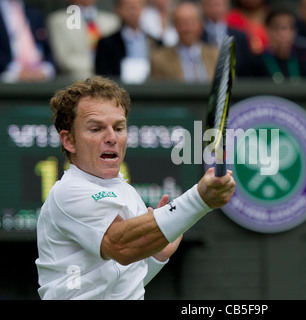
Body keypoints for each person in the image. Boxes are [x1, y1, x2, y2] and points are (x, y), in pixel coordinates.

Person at [35, 76, 235, 299]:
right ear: (69, 140)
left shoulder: (127, 193)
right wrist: (199, 200)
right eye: (96, 129)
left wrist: (157, 253)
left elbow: (123, 282)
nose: (111, 137)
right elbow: (122, 247)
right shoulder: (68, 192)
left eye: (119, 128)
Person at [47, 0, 120, 80]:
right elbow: (64, 61)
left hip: (109, 80)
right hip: (76, 81)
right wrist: (101, 64)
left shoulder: (112, 21)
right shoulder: (57, 21)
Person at [150, 1, 219, 83]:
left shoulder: (216, 56)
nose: (187, 28)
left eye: (191, 22)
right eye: (181, 23)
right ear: (175, 25)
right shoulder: (159, 60)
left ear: (200, 24)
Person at [244, 6, 306, 83]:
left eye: (288, 28)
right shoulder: (254, 64)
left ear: (295, 32)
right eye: (277, 28)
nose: (283, 34)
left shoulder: (303, 63)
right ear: (267, 30)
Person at [95, 0, 157, 83]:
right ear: (118, 10)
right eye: (129, 8)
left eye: (136, 7)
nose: (133, 12)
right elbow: (103, 76)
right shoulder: (106, 44)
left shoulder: (156, 43)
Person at [0, 0, 55, 82]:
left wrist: (45, 70)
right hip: (7, 77)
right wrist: (16, 70)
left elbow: (49, 50)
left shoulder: (33, 11)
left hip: (40, 77)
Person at [200, 0, 252, 77]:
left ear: (227, 6)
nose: (214, 8)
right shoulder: (198, 35)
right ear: (203, 7)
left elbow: (246, 66)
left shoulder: (239, 36)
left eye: (218, 4)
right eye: (209, 4)